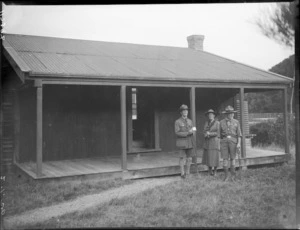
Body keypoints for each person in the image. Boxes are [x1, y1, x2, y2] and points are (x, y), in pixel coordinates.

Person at [219, 105, 242, 182]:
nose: (231, 115)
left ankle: (233, 176)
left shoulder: (236, 122)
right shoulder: (221, 122)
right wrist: (219, 145)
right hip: (224, 142)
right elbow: (219, 136)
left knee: (233, 159)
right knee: (225, 159)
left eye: (232, 113)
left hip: (233, 142)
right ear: (226, 114)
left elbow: (239, 135)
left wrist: (238, 144)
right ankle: (226, 177)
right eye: (229, 113)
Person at [175, 104, 196, 179]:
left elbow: (193, 130)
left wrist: (193, 131)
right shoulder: (177, 121)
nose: (185, 112)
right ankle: (182, 174)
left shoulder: (190, 121)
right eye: (183, 111)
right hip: (182, 142)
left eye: (186, 110)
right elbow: (177, 132)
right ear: (181, 112)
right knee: (181, 158)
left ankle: (188, 173)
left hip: (189, 142)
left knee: (189, 158)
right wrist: (187, 133)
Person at [202, 109, 220, 176]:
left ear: (214, 115)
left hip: (214, 142)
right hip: (208, 142)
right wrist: (205, 134)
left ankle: (215, 171)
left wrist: (210, 134)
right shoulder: (206, 123)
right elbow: (204, 131)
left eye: (211, 114)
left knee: (215, 157)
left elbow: (218, 133)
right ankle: (210, 170)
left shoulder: (217, 123)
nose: (210, 116)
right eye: (209, 115)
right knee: (209, 156)